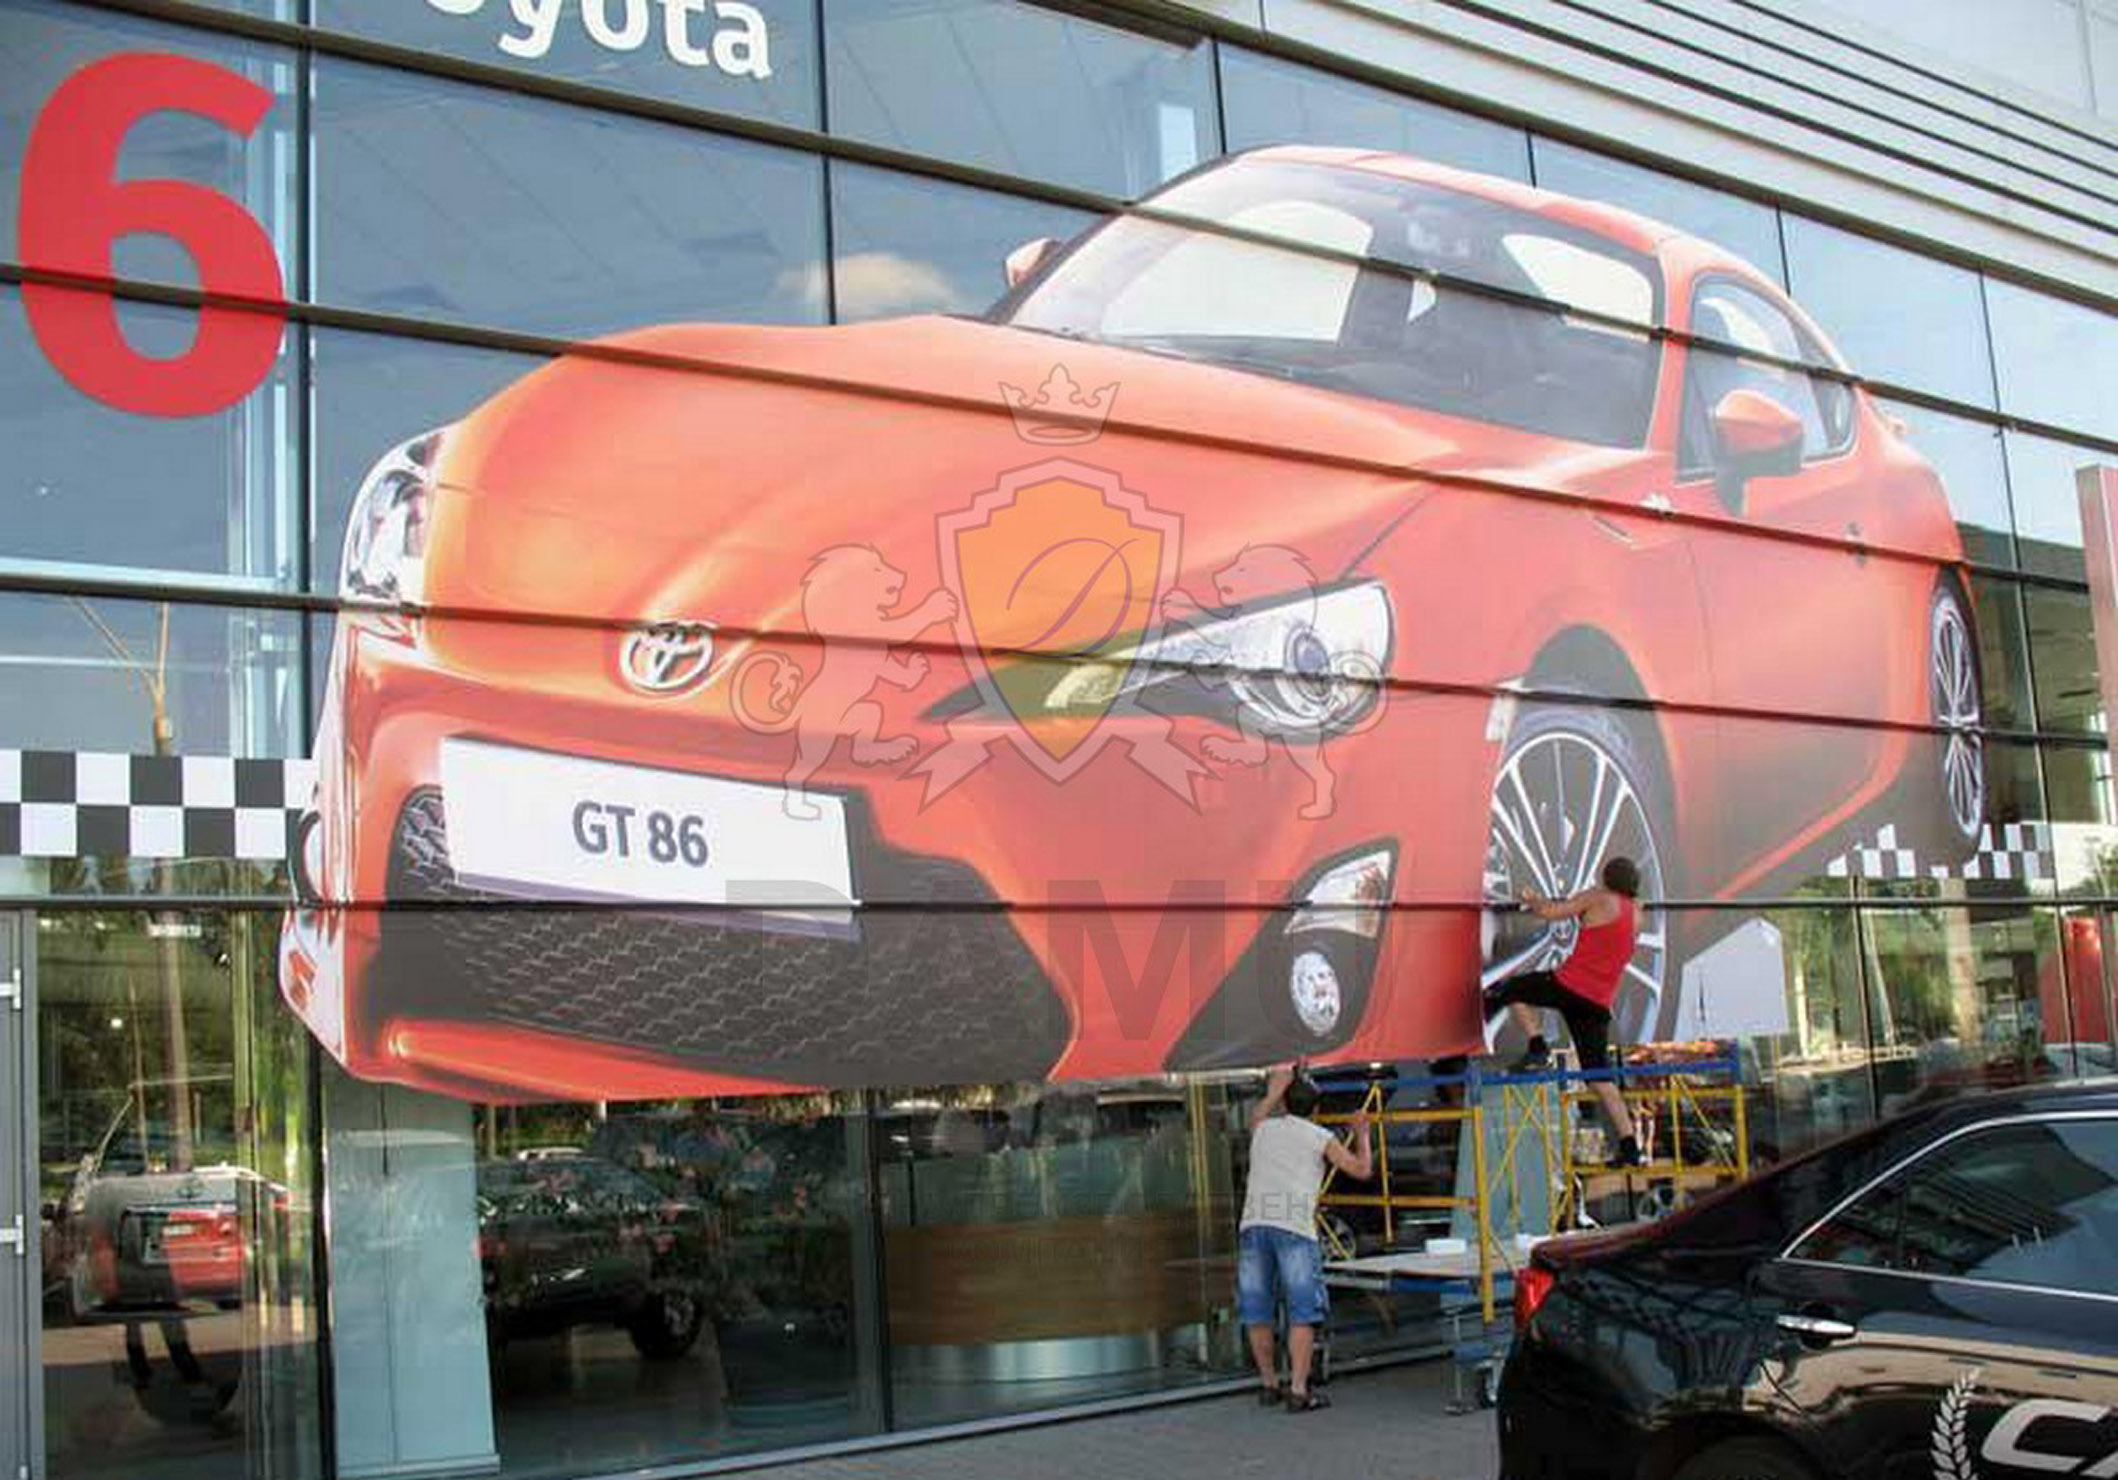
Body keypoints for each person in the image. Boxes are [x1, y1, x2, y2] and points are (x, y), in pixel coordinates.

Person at [1485, 856, 1647, 1169]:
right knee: (1600, 1078)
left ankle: (1537, 1047)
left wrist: (1531, 898)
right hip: (1597, 1003)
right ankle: (1630, 1149)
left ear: (1607, 877)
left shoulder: (1598, 897)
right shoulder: (1638, 915)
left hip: (1568, 986)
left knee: (1509, 988)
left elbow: (1549, 913)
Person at [1237, 1065, 1373, 1412]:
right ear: (1316, 1108)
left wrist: (1273, 1091)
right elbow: (1361, 1170)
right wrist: (1362, 1133)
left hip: (1254, 1222)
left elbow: (1256, 1117)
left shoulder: (1263, 1129)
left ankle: (1269, 1384)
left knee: (1257, 1309)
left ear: (1285, 1103)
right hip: (1294, 1226)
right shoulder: (1319, 1136)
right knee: (1302, 1310)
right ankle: (1298, 1390)